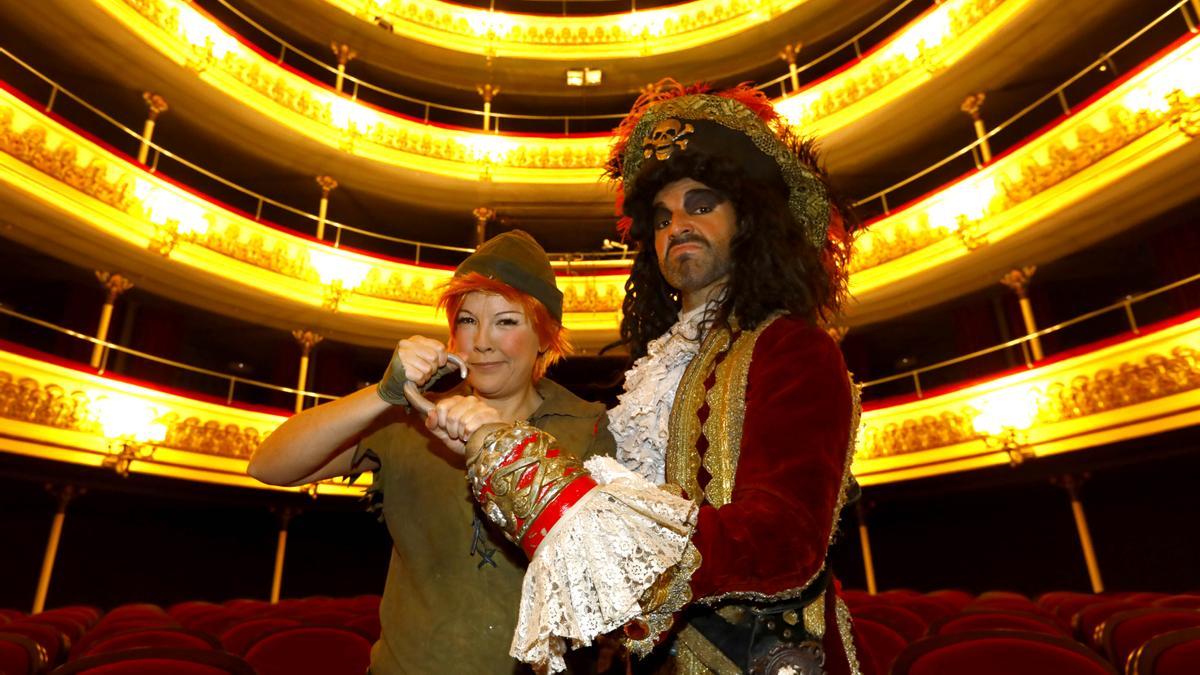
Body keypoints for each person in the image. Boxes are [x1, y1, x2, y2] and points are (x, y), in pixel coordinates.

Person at [247, 230, 616, 674]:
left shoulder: (585, 426)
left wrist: (499, 448)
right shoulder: (411, 418)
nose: (482, 341)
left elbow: (600, 578)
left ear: (545, 334)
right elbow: (268, 465)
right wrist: (385, 394)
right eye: (466, 320)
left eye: (506, 321)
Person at [599, 80, 866, 674]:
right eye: (663, 218)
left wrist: (609, 545)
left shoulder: (792, 347)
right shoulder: (654, 366)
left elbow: (785, 538)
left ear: (749, 219)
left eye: (701, 205)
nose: (679, 227)